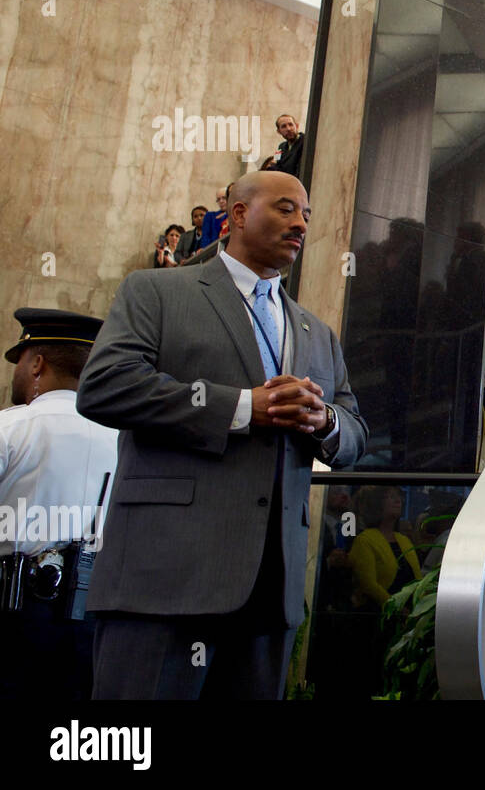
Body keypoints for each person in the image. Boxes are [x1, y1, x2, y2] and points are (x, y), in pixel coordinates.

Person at [77, 169, 368, 699]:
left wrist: (321, 420)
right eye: (285, 208)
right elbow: (105, 386)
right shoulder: (157, 291)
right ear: (236, 215)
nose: (300, 223)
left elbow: (355, 432)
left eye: (306, 213)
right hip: (164, 583)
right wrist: (240, 407)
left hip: (268, 598)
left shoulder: (316, 332)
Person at [0, 308, 119, 701]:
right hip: (96, 625)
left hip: (12, 617)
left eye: (19, 361)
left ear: (37, 364)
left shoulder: (11, 428)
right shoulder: (128, 439)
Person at [348, 486, 421, 609]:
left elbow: (418, 579)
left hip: (409, 614)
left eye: (399, 497)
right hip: (380, 615)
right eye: (391, 497)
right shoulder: (364, 540)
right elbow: (369, 585)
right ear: (377, 504)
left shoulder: (404, 540)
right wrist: (395, 608)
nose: (398, 501)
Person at [197, 185, 230, 249]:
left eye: (224, 198)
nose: (221, 201)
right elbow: (205, 238)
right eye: (218, 199)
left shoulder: (234, 215)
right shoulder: (210, 216)